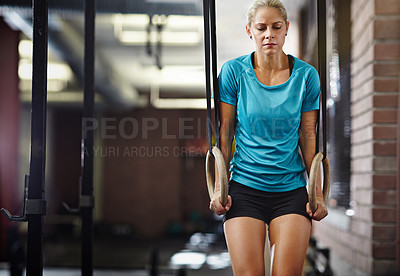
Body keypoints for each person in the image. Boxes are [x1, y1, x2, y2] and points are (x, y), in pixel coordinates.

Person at [208, 0, 328, 275]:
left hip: (290, 188)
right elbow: (225, 134)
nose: (269, 34)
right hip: (244, 188)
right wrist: (218, 187)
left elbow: (308, 136)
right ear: (249, 31)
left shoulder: (307, 77)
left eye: (276, 27)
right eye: (261, 28)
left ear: (286, 29)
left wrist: (317, 192)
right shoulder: (233, 73)